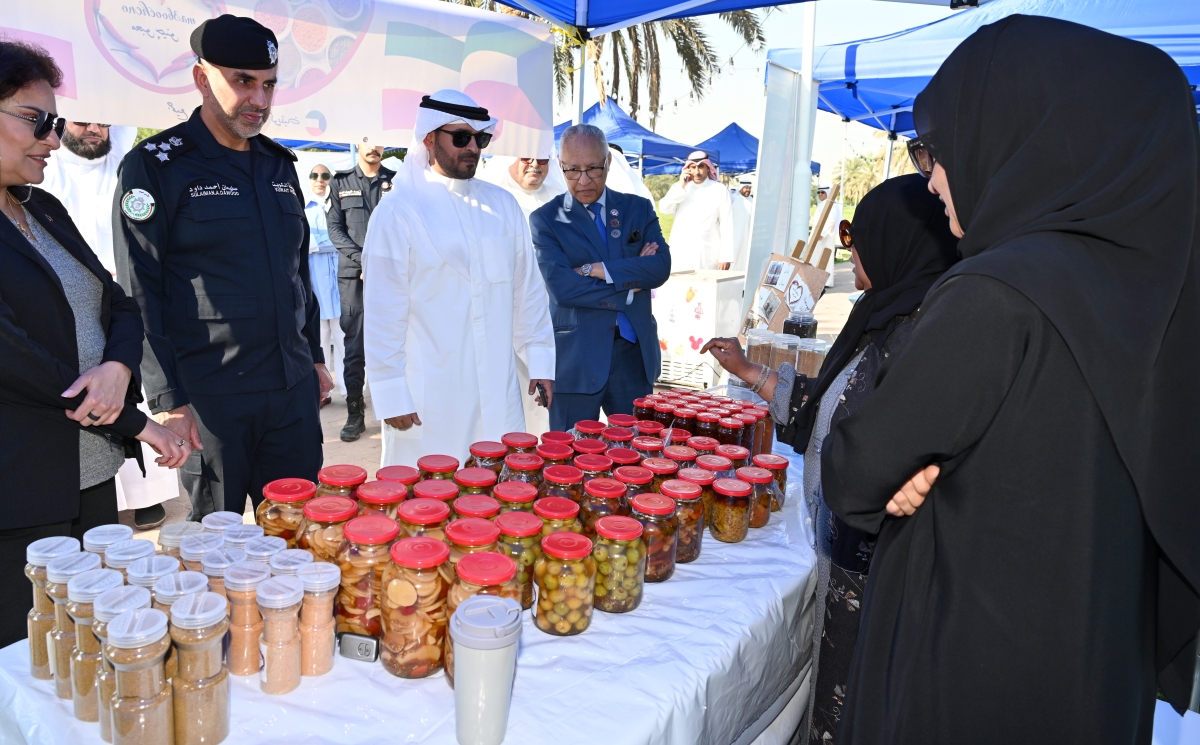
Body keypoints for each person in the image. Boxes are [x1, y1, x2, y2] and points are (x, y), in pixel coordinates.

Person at [823, 17, 1200, 742]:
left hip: (966, 677)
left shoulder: (997, 293)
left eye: (936, 150)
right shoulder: (1151, 296)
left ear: (1020, 133)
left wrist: (897, 465)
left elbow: (855, 467)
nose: (930, 178)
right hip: (1090, 679)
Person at [703, 174, 959, 744]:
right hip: (844, 552)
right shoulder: (880, 312)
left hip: (878, 565)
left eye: (857, 234)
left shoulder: (923, 334)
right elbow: (829, 408)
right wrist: (748, 371)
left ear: (897, 240)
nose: (850, 249)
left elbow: (871, 439)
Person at [0, 40, 187, 647]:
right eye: (35, 120)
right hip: (20, 490)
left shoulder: (43, 207)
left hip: (90, 476)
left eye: (54, 123)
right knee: (31, 664)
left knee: (99, 647)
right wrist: (137, 422)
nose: (52, 139)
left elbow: (120, 301)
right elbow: (17, 360)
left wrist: (116, 365)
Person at [114, 15, 332, 521]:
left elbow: (296, 274)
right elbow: (139, 289)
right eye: (243, 81)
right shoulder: (156, 165)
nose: (259, 99)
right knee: (218, 548)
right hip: (212, 400)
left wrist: (315, 357)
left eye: (269, 84)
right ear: (201, 79)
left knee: (299, 539)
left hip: (290, 391)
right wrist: (169, 399)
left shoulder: (279, 165)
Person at [362, 89, 555, 467]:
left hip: (498, 388)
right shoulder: (397, 211)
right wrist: (390, 392)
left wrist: (541, 362)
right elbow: (384, 311)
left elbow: (527, 291)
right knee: (426, 502)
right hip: (428, 392)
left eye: (479, 139)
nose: (472, 148)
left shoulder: (502, 205)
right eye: (461, 138)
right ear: (430, 139)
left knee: (498, 495)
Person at [40, 120, 179, 529]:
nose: (94, 130)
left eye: (102, 123)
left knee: (133, 381)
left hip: (125, 301)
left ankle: (147, 493)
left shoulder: (127, 165)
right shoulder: (45, 172)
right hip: (70, 304)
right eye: (84, 122)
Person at [532, 124, 672, 430]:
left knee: (637, 456)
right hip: (576, 359)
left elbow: (660, 267)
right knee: (569, 461)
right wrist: (632, 283)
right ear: (561, 166)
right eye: (572, 170)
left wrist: (598, 270)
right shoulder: (546, 220)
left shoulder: (637, 208)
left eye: (593, 169)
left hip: (633, 356)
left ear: (608, 161)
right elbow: (563, 290)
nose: (583, 180)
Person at [478, 152, 567, 435]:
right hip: (503, 316)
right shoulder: (489, 201)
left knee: (542, 403)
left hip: (551, 316)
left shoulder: (562, 201)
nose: (535, 165)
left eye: (543, 160)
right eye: (526, 158)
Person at [327, 138, 394, 442]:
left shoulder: (397, 182)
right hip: (354, 277)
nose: (373, 146)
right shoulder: (340, 182)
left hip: (392, 274)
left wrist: (380, 261)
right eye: (367, 139)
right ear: (357, 142)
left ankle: (395, 411)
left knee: (396, 341)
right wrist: (363, 258)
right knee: (354, 347)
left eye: (378, 140)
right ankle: (355, 414)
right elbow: (335, 230)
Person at [305, 162, 344, 407]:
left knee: (344, 341)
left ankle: (352, 394)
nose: (320, 179)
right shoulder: (301, 209)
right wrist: (325, 243)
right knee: (318, 343)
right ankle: (322, 392)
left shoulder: (339, 207)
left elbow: (341, 241)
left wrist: (318, 244)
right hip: (315, 288)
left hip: (341, 287)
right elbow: (304, 243)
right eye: (314, 175)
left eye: (325, 175)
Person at [658, 150, 733, 272]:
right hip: (681, 252)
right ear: (688, 168)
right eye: (693, 167)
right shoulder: (681, 187)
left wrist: (726, 256)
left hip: (708, 252)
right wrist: (681, 185)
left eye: (701, 167)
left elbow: (727, 224)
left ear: (708, 168)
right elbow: (664, 208)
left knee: (706, 288)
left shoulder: (719, 189)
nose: (697, 172)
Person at [812, 186, 841, 287]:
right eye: (818, 192)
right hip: (819, 237)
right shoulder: (822, 204)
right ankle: (818, 280)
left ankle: (827, 282)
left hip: (825, 237)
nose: (820, 194)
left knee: (825, 258)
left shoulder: (830, 204)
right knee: (816, 258)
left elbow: (831, 220)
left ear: (827, 193)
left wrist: (822, 233)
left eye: (822, 192)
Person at [726, 175, 755, 271]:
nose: (748, 190)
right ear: (741, 188)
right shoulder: (734, 200)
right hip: (736, 235)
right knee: (736, 256)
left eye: (749, 188)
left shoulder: (753, 201)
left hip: (749, 236)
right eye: (746, 188)